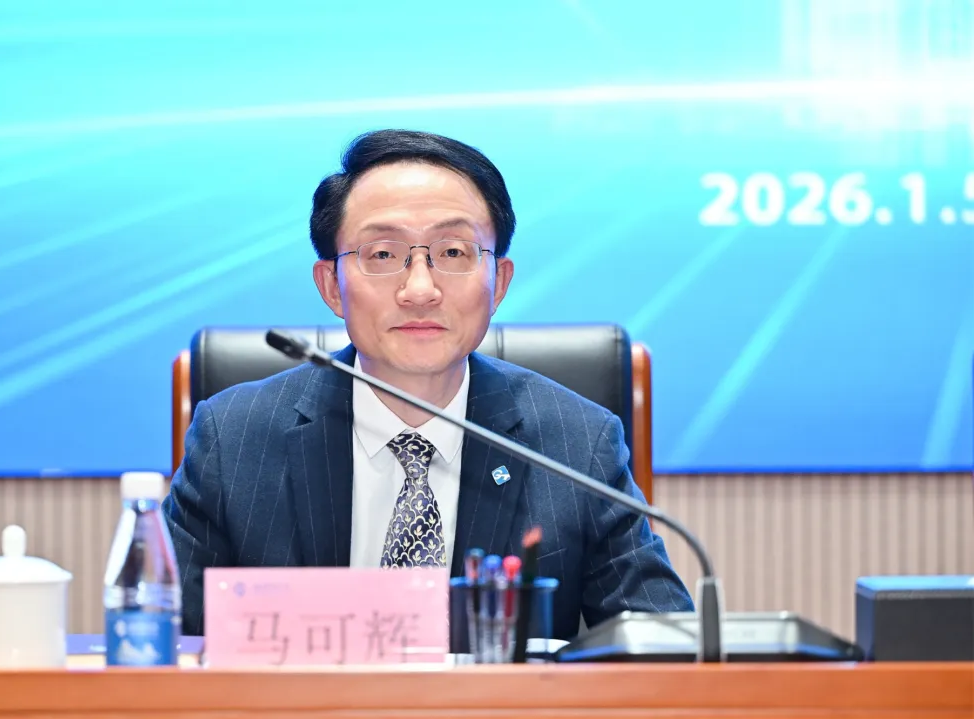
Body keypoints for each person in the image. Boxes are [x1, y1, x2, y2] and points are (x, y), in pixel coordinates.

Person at [162, 129, 693, 638]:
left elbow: (665, 650)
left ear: (499, 283)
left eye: (454, 253)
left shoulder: (577, 446)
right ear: (332, 287)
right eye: (383, 255)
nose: (419, 289)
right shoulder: (233, 441)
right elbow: (155, 647)